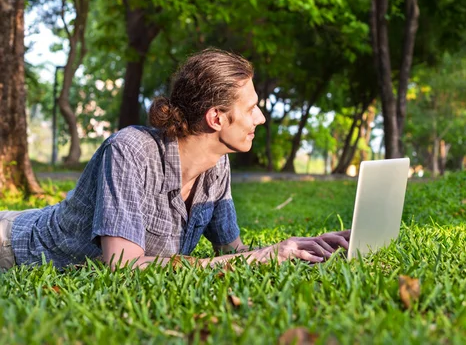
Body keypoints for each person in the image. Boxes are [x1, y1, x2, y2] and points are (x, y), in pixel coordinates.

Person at [0, 48, 350, 271]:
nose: (260, 119)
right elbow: (123, 267)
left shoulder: (217, 166)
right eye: (252, 108)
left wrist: (304, 248)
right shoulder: (130, 151)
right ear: (216, 118)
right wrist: (263, 256)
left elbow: (232, 251)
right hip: (11, 246)